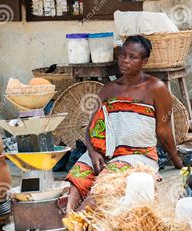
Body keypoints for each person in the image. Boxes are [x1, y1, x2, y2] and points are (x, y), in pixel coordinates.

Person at [66, 35, 183, 211]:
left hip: (137, 156)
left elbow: (163, 130)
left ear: (144, 61)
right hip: (103, 154)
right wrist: (91, 152)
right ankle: (68, 218)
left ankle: (79, 222)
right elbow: (91, 128)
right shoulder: (108, 89)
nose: (125, 60)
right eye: (122, 55)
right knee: (74, 183)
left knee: (102, 187)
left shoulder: (156, 88)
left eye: (132, 57)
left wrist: (176, 160)